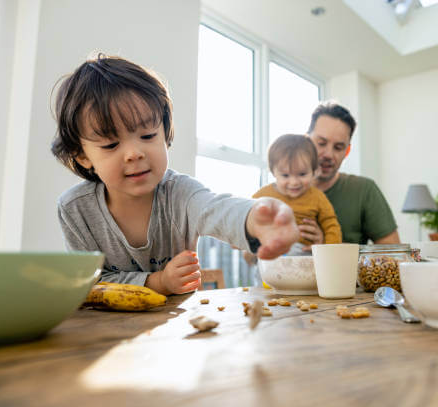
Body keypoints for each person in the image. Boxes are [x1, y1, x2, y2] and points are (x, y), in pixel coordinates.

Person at [51, 54, 299, 295]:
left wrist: (253, 219)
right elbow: (90, 282)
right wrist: (158, 282)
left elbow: (214, 209)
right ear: (82, 155)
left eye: (148, 136)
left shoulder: (180, 192)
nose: (134, 153)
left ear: (165, 133)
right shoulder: (75, 208)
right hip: (106, 327)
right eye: (111, 145)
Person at [300, 101, 400, 246]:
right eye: (321, 143)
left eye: (338, 147)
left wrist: (327, 246)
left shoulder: (364, 190)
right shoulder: (278, 192)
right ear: (306, 142)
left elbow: (394, 254)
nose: (328, 154)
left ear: (347, 151)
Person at [253, 134, 341, 252]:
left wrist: (327, 250)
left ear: (314, 171)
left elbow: (331, 224)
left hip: (305, 253)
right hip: (271, 253)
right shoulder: (263, 195)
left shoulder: (317, 197)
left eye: (302, 174)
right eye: (285, 175)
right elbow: (246, 216)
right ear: (273, 172)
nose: (294, 182)